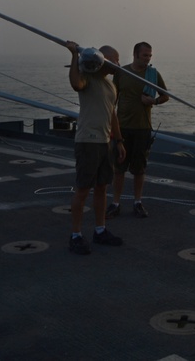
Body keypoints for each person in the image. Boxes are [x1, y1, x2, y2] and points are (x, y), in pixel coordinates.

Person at [65, 41, 127, 255]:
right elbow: (75, 84)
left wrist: (119, 141)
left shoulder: (111, 86)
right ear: (103, 60)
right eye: (115, 60)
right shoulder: (87, 77)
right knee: (83, 189)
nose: (118, 64)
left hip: (105, 142)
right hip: (87, 142)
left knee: (102, 187)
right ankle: (75, 235)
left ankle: (100, 230)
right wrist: (74, 55)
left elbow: (112, 114)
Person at [108, 41, 169, 219]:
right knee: (119, 168)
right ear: (135, 54)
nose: (148, 58)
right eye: (145, 55)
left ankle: (137, 202)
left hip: (143, 128)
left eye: (150, 55)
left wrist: (154, 101)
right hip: (122, 127)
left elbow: (165, 96)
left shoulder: (153, 74)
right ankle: (115, 203)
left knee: (139, 169)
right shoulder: (122, 73)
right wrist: (111, 125)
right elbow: (113, 100)